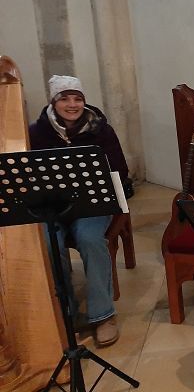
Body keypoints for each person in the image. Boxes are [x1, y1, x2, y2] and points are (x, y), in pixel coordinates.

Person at [29, 75, 129, 347]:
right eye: (65, 99)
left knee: (90, 238)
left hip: (92, 204)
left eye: (78, 99)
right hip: (51, 206)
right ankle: (65, 311)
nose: (72, 104)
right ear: (53, 102)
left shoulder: (101, 130)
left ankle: (103, 315)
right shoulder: (36, 132)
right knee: (49, 242)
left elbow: (120, 170)